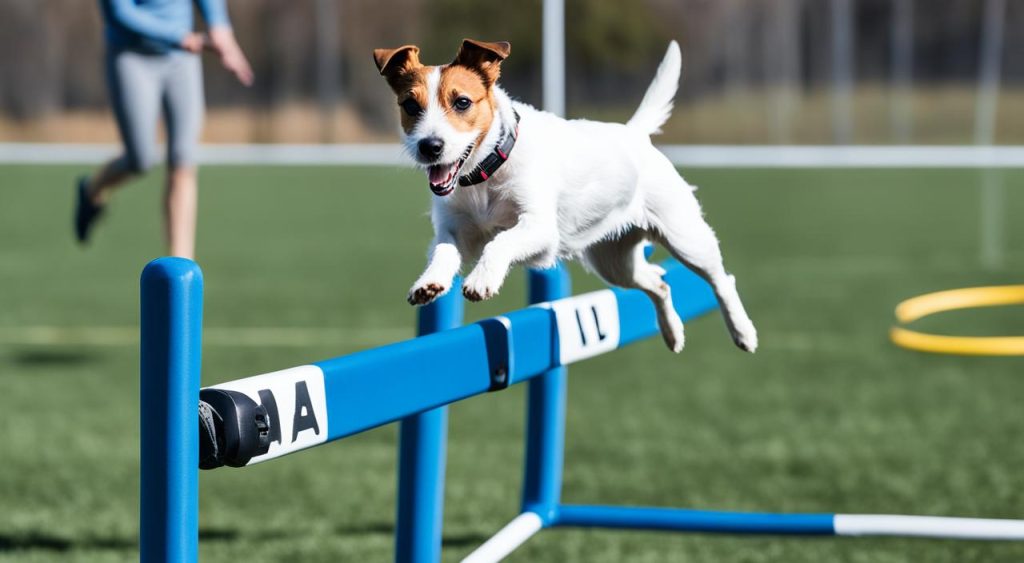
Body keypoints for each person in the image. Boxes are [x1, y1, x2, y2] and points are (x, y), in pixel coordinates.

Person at [75, 0, 254, 259]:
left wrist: (220, 28)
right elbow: (119, 13)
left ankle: (181, 267)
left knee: (183, 161)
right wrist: (178, 36)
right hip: (132, 55)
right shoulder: (162, 40)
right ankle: (92, 190)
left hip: (181, 60)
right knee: (140, 160)